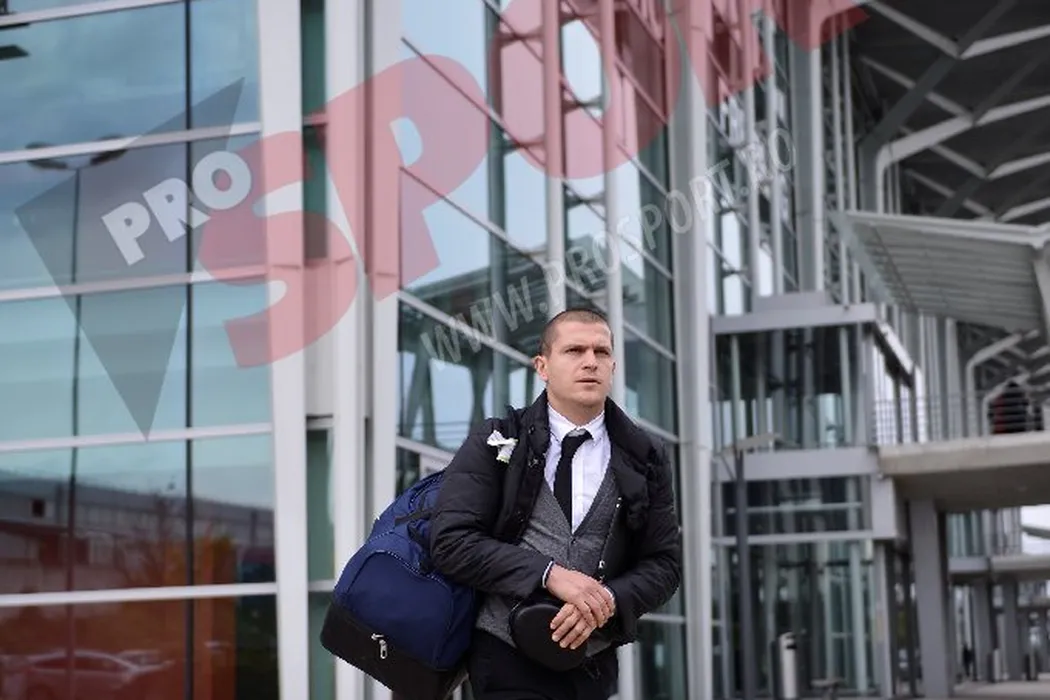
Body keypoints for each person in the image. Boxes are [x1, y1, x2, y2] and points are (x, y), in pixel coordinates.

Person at [429, 308, 682, 700]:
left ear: (613, 366)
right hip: (505, 654)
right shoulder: (496, 439)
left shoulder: (645, 455)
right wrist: (549, 574)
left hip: (592, 662)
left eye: (601, 352)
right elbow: (451, 542)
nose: (590, 362)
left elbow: (664, 564)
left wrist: (609, 600)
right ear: (542, 366)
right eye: (574, 350)